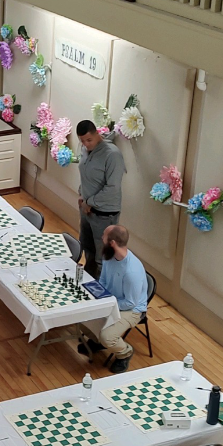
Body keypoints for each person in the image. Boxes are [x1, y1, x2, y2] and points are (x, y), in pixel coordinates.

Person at [79, 225, 148, 373]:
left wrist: (107, 304)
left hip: (132, 310)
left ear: (112, 243)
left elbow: (130, 303)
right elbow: (103, 280)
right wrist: (98, 297)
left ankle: (124, 353)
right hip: (110, 299)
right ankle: (99, 342)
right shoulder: (108, 255)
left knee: (107, 336)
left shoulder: (131, 271)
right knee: (80, 317)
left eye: (104, 235)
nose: (101, 238)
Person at [76, 119, 126, 278]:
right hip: (86, 209)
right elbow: (86, 175)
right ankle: (87, 284)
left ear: (97, 134)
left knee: (102, 257)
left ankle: (102, 293)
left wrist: (90, 202)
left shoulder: (112, 154)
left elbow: (113, 187)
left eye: (89, 140)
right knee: (87, 246)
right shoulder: (85, 151)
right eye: (82, 141)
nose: (86, 144)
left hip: (104, 213)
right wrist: (81, 195)